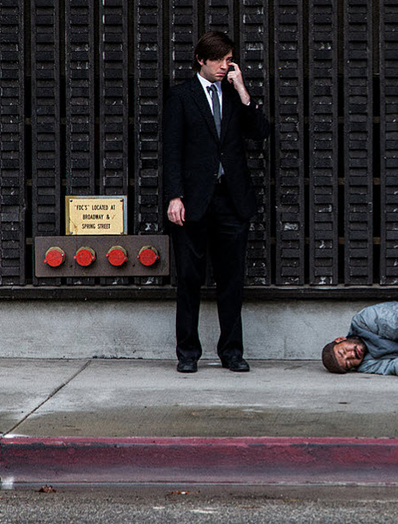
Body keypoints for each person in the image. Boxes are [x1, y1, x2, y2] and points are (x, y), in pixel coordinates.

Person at [164, 31, 271, 373]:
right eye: (221, 60)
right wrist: (174, 196)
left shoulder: (233, 94)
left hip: (231, 200)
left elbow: (260, 132)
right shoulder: (181, 96)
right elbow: (171, 150)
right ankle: (187, 354)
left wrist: (242, 90)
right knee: (189, 281)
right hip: (193, 201)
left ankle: (232, 353)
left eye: (229, 60)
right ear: (201, 60)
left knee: (232, 281)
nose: (227, 66)